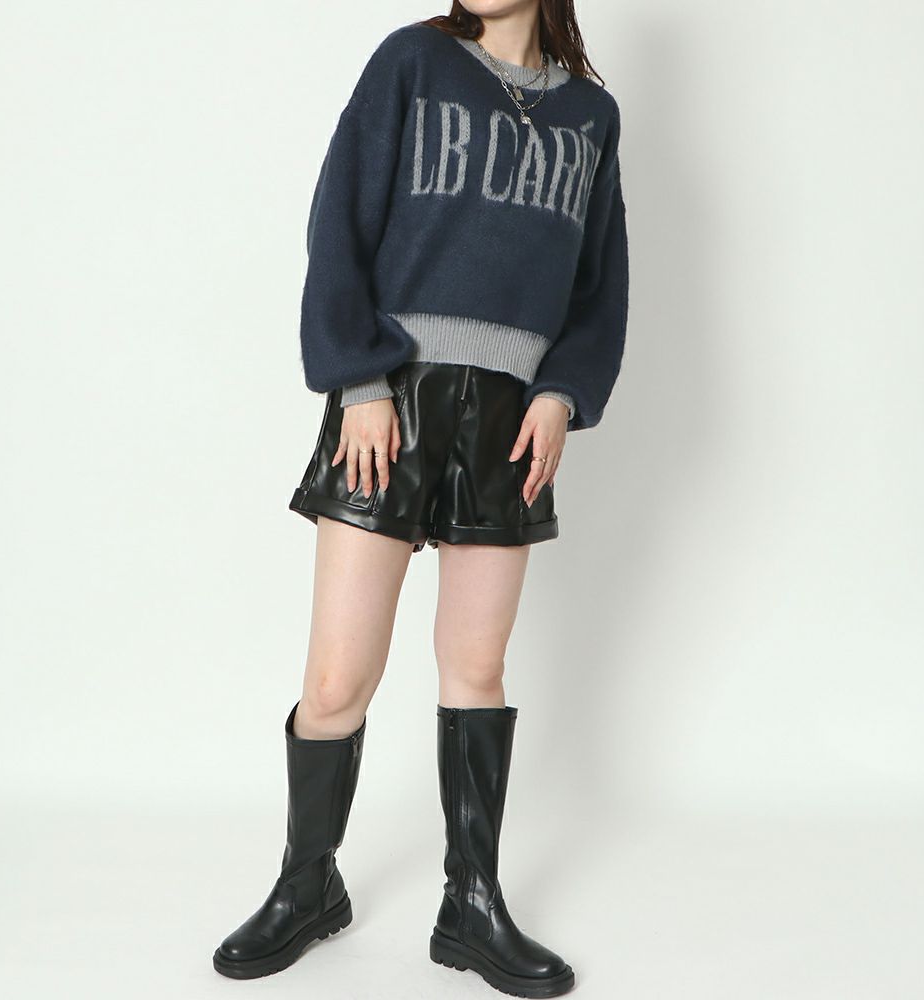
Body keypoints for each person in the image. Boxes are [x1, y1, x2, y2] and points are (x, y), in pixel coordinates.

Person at [212, 2, 628, 995]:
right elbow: (339, 222)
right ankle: (306, 884)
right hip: (389, 402)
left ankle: (470, 904)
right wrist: (357, 380)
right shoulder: (411, 62)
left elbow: (600, 283)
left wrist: (562, 393)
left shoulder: (590, 115)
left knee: (475, 668)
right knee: (335, 680)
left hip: (510, 419)